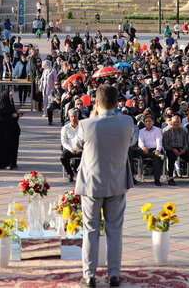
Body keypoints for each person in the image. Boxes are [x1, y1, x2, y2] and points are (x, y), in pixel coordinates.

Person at [73, 85, 134, 288]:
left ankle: (89, 276)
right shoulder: (127, 122)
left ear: (96, 103)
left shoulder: (86, 124)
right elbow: (131, 142)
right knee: (115, 230)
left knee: (90, 230)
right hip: (117, 182)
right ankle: (114, 274)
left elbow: (76, 145)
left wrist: (92, 117)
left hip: (91, 184)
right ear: (117, 103)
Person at [0, 89, 21, 169]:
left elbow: (13, 116)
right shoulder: (3, 106)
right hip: (4, 133)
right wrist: (12, 116)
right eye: (10, 95)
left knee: (13, 148)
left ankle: (12, 163)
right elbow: (2, 119)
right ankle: (5, 163)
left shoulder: (10, 105)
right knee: (6, 147)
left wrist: (16, 115)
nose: (11, 97)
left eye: (11, 95)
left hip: (12, 131)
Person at [135, 113, 164, 186]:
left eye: (149, 121)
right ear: (144, 123)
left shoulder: (157, 130)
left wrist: (157, 150)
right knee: (136, 151)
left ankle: (157, 180)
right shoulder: (141, 131)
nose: (148, 122)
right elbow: (140, 141)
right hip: (145, 149)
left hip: (154, 149)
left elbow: (159, 141)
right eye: (146, 121)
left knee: (157, 157)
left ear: (153, 122)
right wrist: (143, 147)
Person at [60, 108, 81, 182]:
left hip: (81, 149)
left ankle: (83, 174)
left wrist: (80, 149)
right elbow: (64, 142)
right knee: (63, 157)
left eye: (75, 116)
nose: (74, 118)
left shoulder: (82, 127)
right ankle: (70, 173)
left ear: (77, 117)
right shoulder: (65, 128)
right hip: (70, 149)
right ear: (69, 117)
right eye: (72, 116)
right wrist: (71, 149)